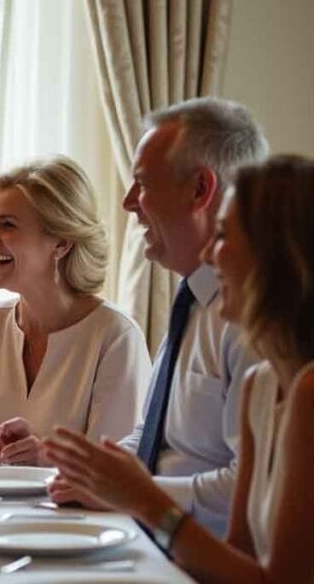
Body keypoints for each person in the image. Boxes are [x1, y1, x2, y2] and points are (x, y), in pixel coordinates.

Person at [44, 155, 314, 580]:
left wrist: (144, 499)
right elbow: (237, 560)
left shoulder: (309, 391)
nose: (209, 253)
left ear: (276, 253)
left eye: (223, 235)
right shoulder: (260, 385)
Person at [46, 97, 268, 537]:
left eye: (142, 183)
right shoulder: (192, 298)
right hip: (154, 534)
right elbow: (153, 437)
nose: (129, 203)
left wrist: (134, 493)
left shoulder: (253, 318)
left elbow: (251, 492)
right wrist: (90, 469)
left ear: (199, 191)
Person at [0, 156, 150, 466]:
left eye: (7, 225)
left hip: (75, 514)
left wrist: (47, 457)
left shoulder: (116, 336)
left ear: (61, 243)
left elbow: (116, 472)